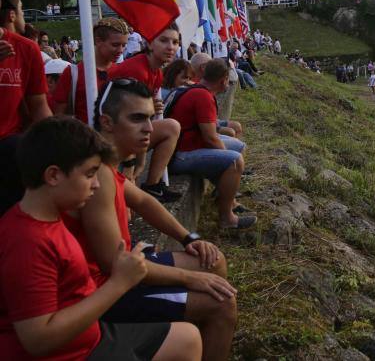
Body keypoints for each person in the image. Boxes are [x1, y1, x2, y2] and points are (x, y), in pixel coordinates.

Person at [0, 117, 201, 361]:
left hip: (90, 336)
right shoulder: (27, 242)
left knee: (188, 339)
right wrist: (120, 283)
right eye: (89, 174)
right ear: (53, 176)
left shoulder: (52, 217)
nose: (96, 185)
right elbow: (38, 340)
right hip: (70, 354)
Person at [74, 78, 238, 360]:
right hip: (107, 292)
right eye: (137, 118)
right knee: (221, 303)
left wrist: (189, 238)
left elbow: (143, 201)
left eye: (150, 118)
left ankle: (195, 334)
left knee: (212, 260)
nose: (149, 128)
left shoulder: (108, 164)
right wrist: (190, 279)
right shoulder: (96, 173)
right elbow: (115, 266)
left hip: (125, 271)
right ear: (108, 122)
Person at [166, 59, 255, 230]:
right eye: (228, 80)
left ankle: (227, 195)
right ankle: (227, 218)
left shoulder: (197, 89)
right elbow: (210, 138)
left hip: (184, 146)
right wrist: (225, 158)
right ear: (223, 79)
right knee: (234, 161)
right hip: (180, 155)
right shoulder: (203, 96)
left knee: (238, 146)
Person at [109, 24, 182, 202]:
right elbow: (126, 121)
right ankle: (150, 184)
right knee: (171, 127)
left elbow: (142, 121)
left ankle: (153, 185)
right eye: (164, 40)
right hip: (112, 135)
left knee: (170, 126)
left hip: (128, 134)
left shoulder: (156, 72)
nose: (170, 47)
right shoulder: (136, 69)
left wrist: (140, 164)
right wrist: (130, 164)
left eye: (175, 42)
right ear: (149, 43)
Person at [0, 0, 52, 215]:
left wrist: (60, 141)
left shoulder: (26, 49)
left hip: (9, 150)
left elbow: (39, 107)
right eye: (22, 9)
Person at [53, 17, 129, 124]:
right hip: (83, 137)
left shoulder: (123, 72)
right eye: (115, 45)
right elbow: (59, 116)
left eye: (124, 45)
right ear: (98, 41)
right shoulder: (73, 72)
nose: (121, 50)